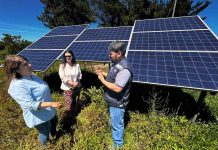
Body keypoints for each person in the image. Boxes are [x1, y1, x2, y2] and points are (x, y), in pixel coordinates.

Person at [4, 55, 62, 146]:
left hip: (48, 110)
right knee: (45, 131)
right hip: (38, 116)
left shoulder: (31, 75)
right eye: (25, 64)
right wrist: (51, 104)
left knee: (54, 120)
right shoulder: (17, 86)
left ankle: (54, 134)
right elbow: (31, 104)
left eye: (28, 62)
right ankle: (45, 145)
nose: (30, 65)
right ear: (16, 70)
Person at [95, 41, 133, 149]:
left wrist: (102, 80)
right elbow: (115, 77)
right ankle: (117, 142)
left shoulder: (124, 69)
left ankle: (118, 145)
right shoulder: (117, 63)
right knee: (115, 122)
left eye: (111, 53)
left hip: (117, 102)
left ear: (119, 53)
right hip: (113, 100)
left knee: (117, 125)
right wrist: (104, 74)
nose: (109, 55)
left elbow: (117, 88)